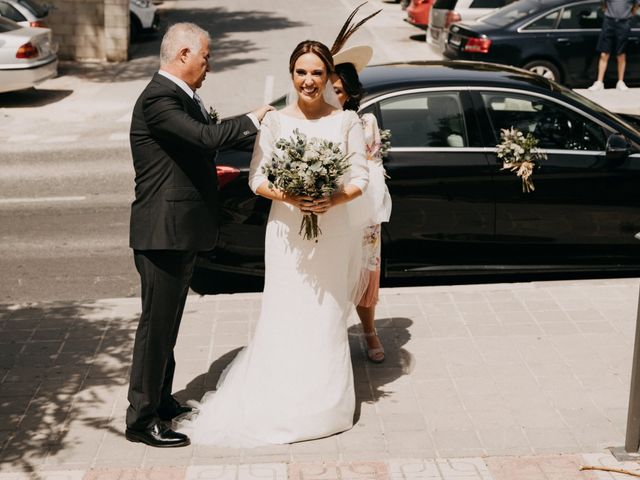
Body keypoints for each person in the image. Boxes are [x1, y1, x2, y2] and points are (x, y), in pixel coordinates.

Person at [176, 39, 369, 447]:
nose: (309, 81)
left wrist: (330, 198)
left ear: (329, 76)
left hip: (332, 233)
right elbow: (256, 179)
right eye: (301, 72)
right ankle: (279, 399)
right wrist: (291, 196)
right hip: (286, 233)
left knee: (326, 313)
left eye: (317, 72)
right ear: (291, 75)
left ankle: (325, 404)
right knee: (287, 310)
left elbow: (360, 178)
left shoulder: (346, 121)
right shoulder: (276, 123)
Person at [126, 22, 272, 448]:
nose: (209, 64)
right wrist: (253, 118)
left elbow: (201, 145)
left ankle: (160, 400)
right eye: (206, 56)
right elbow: (205, 137)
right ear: (184, 54)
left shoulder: (179, 96)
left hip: (179, 231)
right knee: (156, 327)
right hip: (162, 233)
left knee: (168, 324)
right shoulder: (158, 98)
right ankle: (141, 418)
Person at [331, 48, 392, 364]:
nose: (332, 94)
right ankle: (331, 335)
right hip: (328, 214)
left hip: (361, 211)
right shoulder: (317, 122)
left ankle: (369, 331)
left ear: (350, 92)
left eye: (338, 90)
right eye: (330, 88)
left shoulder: (365, 122)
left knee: (366, 272)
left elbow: (373, 169)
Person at [588, 0, 639, 91]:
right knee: (604, 53)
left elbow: (636, 6)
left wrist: (629, 16)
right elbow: (604, 4)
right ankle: (599, 82)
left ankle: (620, 82)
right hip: (609, 22)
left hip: (624, 22)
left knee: (621, 54)